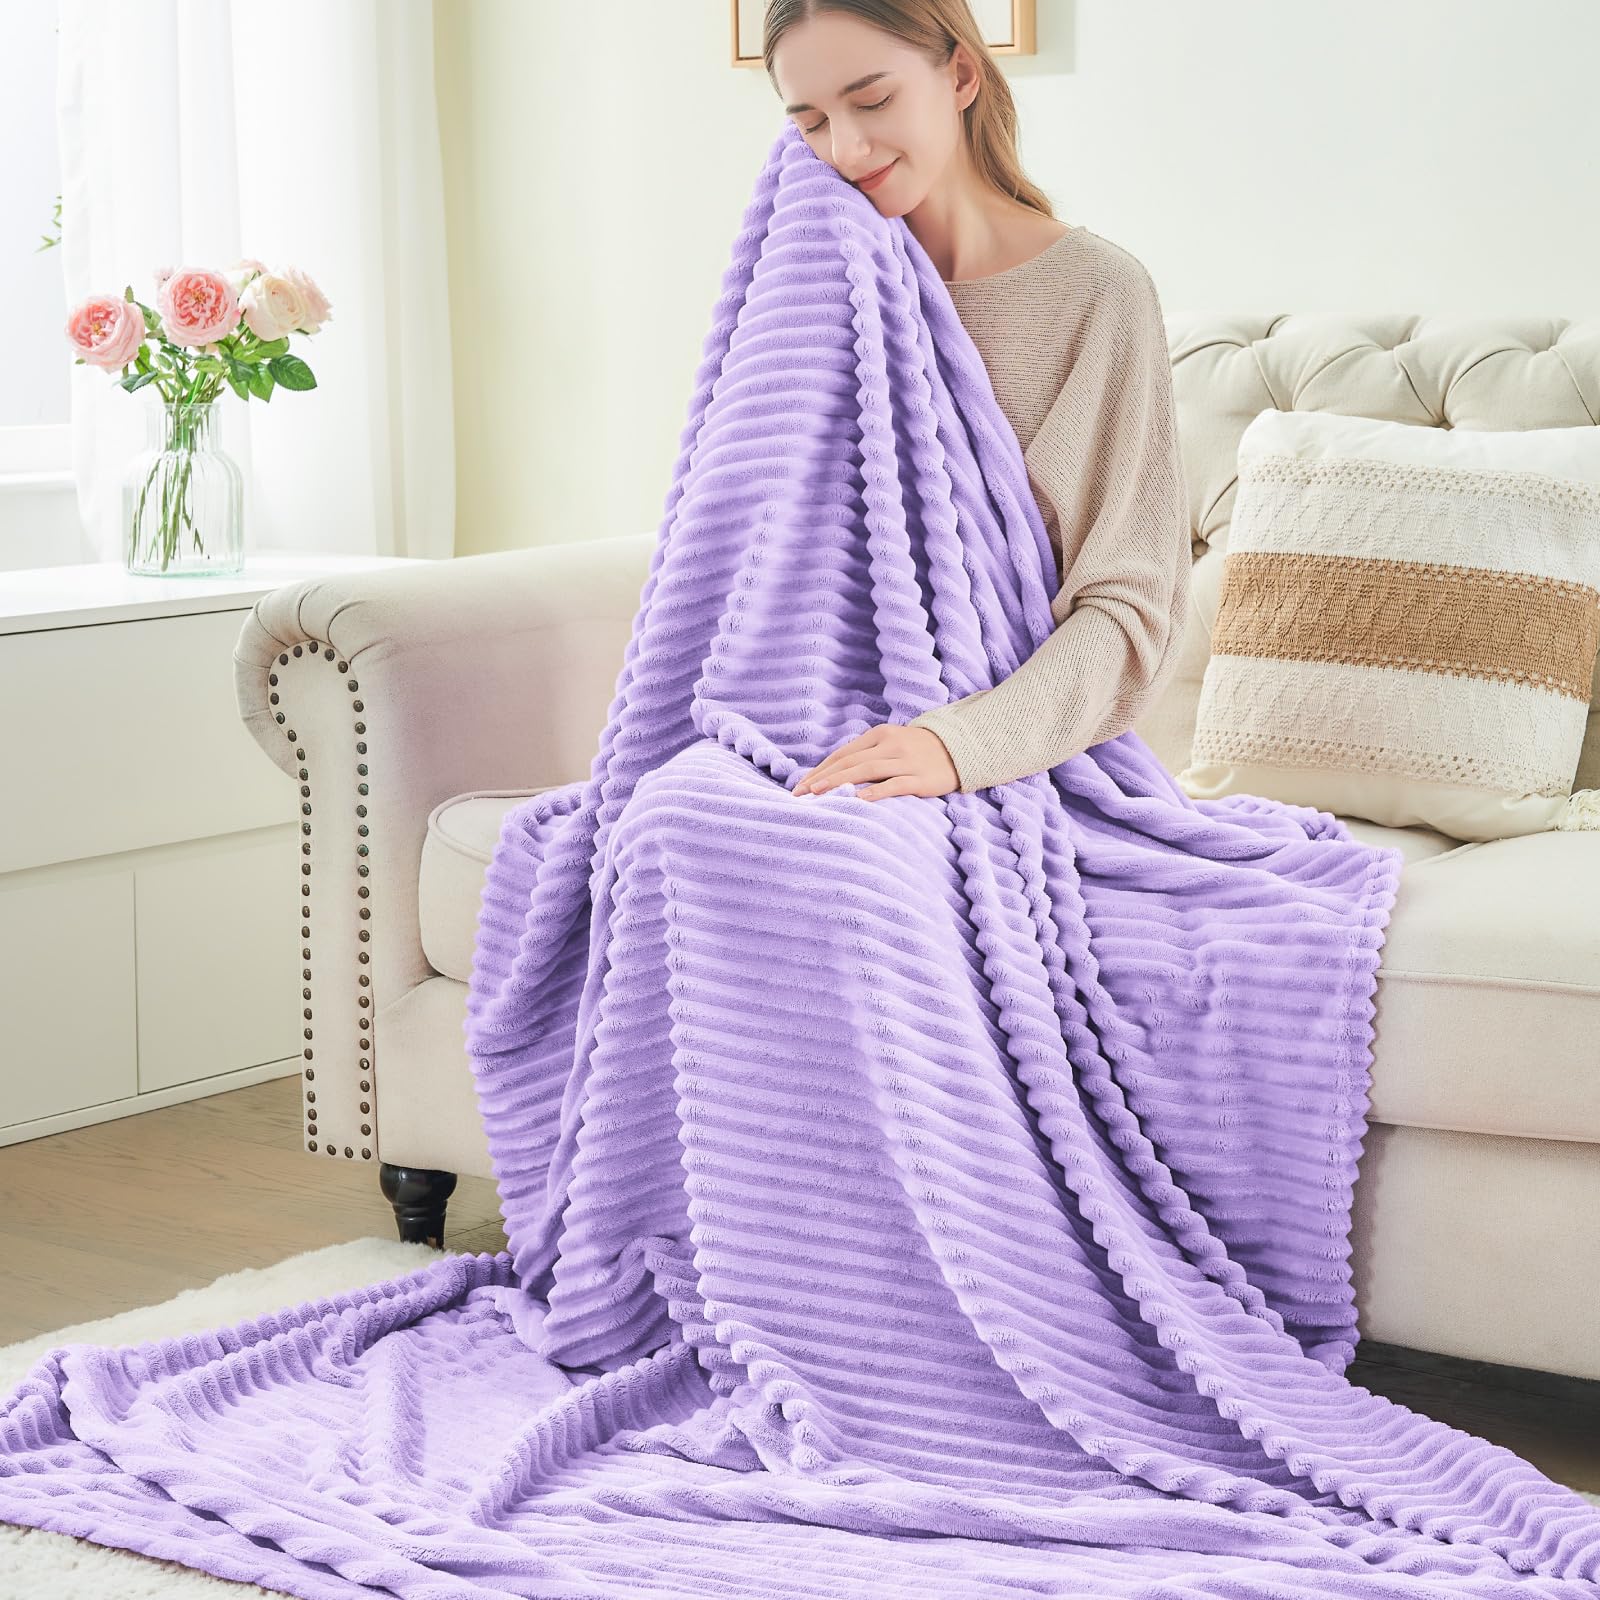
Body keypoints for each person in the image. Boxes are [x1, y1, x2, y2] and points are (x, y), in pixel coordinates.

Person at [770, 0, 1193, 801]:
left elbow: (1131, 612)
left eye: (873, 100)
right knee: (668, 827)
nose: (847, 149)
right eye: (812, 122)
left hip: (1004, 756)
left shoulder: (1096, 294)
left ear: (961, 75)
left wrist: (960, 745)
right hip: (813, 732)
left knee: (836, 859)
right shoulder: (817, 296)